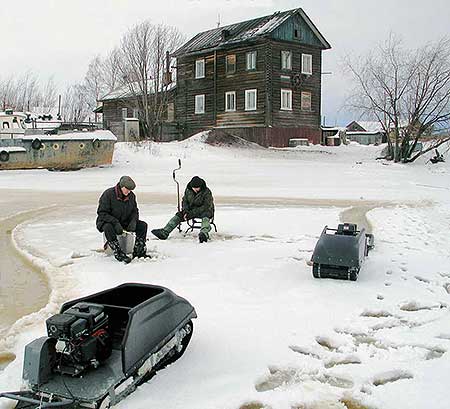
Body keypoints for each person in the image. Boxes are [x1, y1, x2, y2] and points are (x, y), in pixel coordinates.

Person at [96, 176, 149, 263]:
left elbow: (135, 211)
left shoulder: (131, 196)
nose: (128, 192)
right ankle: (118, 252)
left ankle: (139, 250)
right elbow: (102, 213)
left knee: (143, 225)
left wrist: (133, 221)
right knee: (108, 227)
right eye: (127, 189)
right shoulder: (108, 194)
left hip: (124, 221)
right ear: (121, 186)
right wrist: (115, 222)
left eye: (130, 190)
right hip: (108, 221)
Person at [151, 176, 214, 243]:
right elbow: (185, 201)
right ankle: (165, 232)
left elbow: (206, 206)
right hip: (190, 211)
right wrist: (185, 212)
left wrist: (191, 213)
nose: (196, 190)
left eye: (197, 188)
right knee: (179, 215)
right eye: (194, 188)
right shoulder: (188, 190)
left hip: (205, 211)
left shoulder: (207, 192)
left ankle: (204, 234)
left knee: (206, 216)